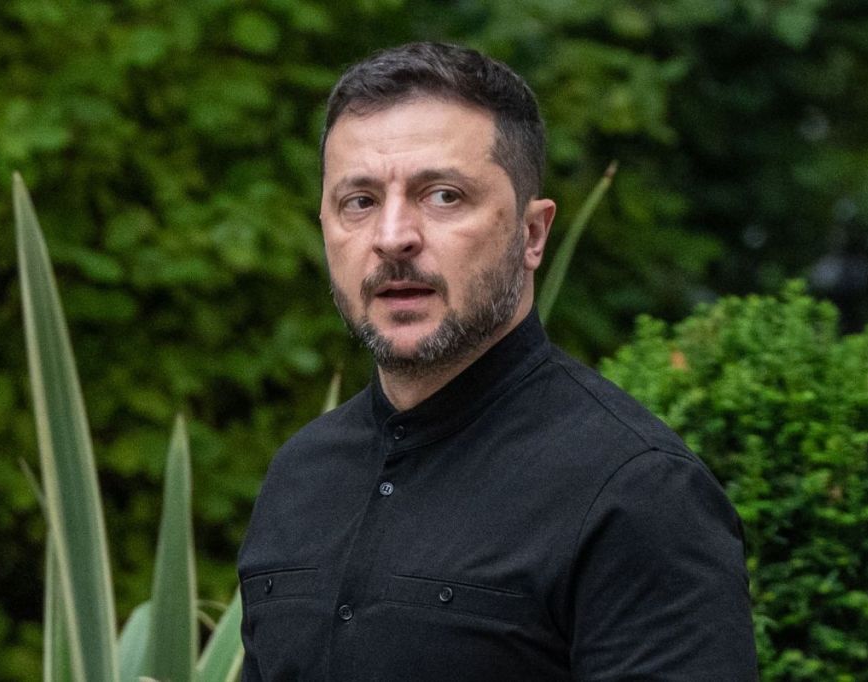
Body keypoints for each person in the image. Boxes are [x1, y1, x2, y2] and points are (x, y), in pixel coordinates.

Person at [237, 42, 758, 681]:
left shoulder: (637, 493)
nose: (393, 237)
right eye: (360, 201)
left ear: (532, 234)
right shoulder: (299, 477)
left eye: (443, 195)